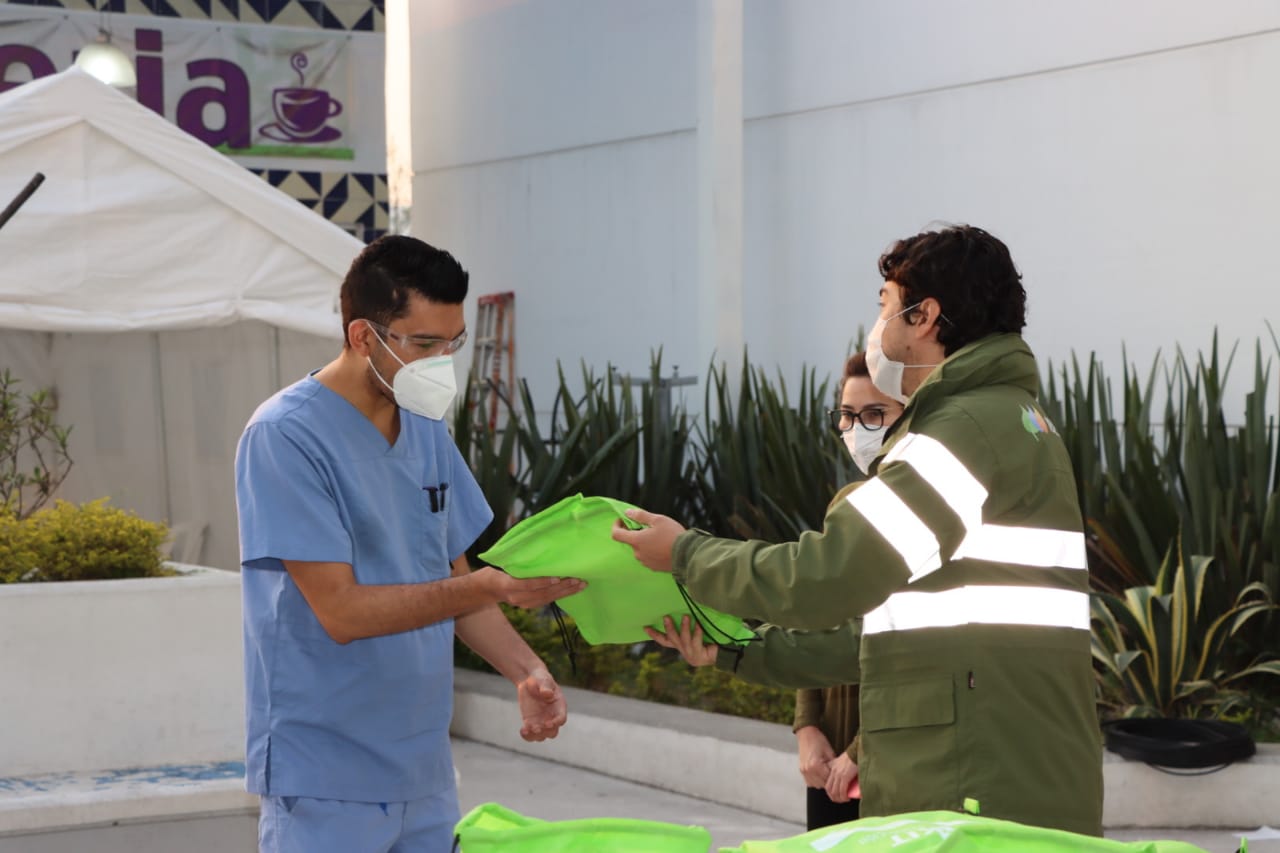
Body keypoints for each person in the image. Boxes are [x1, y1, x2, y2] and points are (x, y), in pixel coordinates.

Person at [616, 224, 1103, 836]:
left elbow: (830, 576)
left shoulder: (964, 431)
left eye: (884, 306)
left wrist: (685, 553)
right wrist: (732, 651)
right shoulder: (1013, 421)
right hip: (1002, 770)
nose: (877, 327)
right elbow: (879, 635)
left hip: (972, 788)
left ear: (924, 316)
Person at [234, 235, 585, 853]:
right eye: (423, 343)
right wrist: (484, 584)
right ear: (362, 335)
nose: (440, 361)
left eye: (452, 343)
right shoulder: (284, 437)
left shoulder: (424, 427)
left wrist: (527, 672)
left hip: (423, 772)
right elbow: (341, 612)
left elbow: (452, 582)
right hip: (325, 778)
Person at [796, 351, 904, 830]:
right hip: (831, 767)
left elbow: (919, 649)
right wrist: (807, 726)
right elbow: (818, 613)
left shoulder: (929, 508)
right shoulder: (846, 504)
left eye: (874, 415)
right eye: (847, 415)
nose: (856, 428)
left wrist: (862, 750)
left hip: (896, 761)